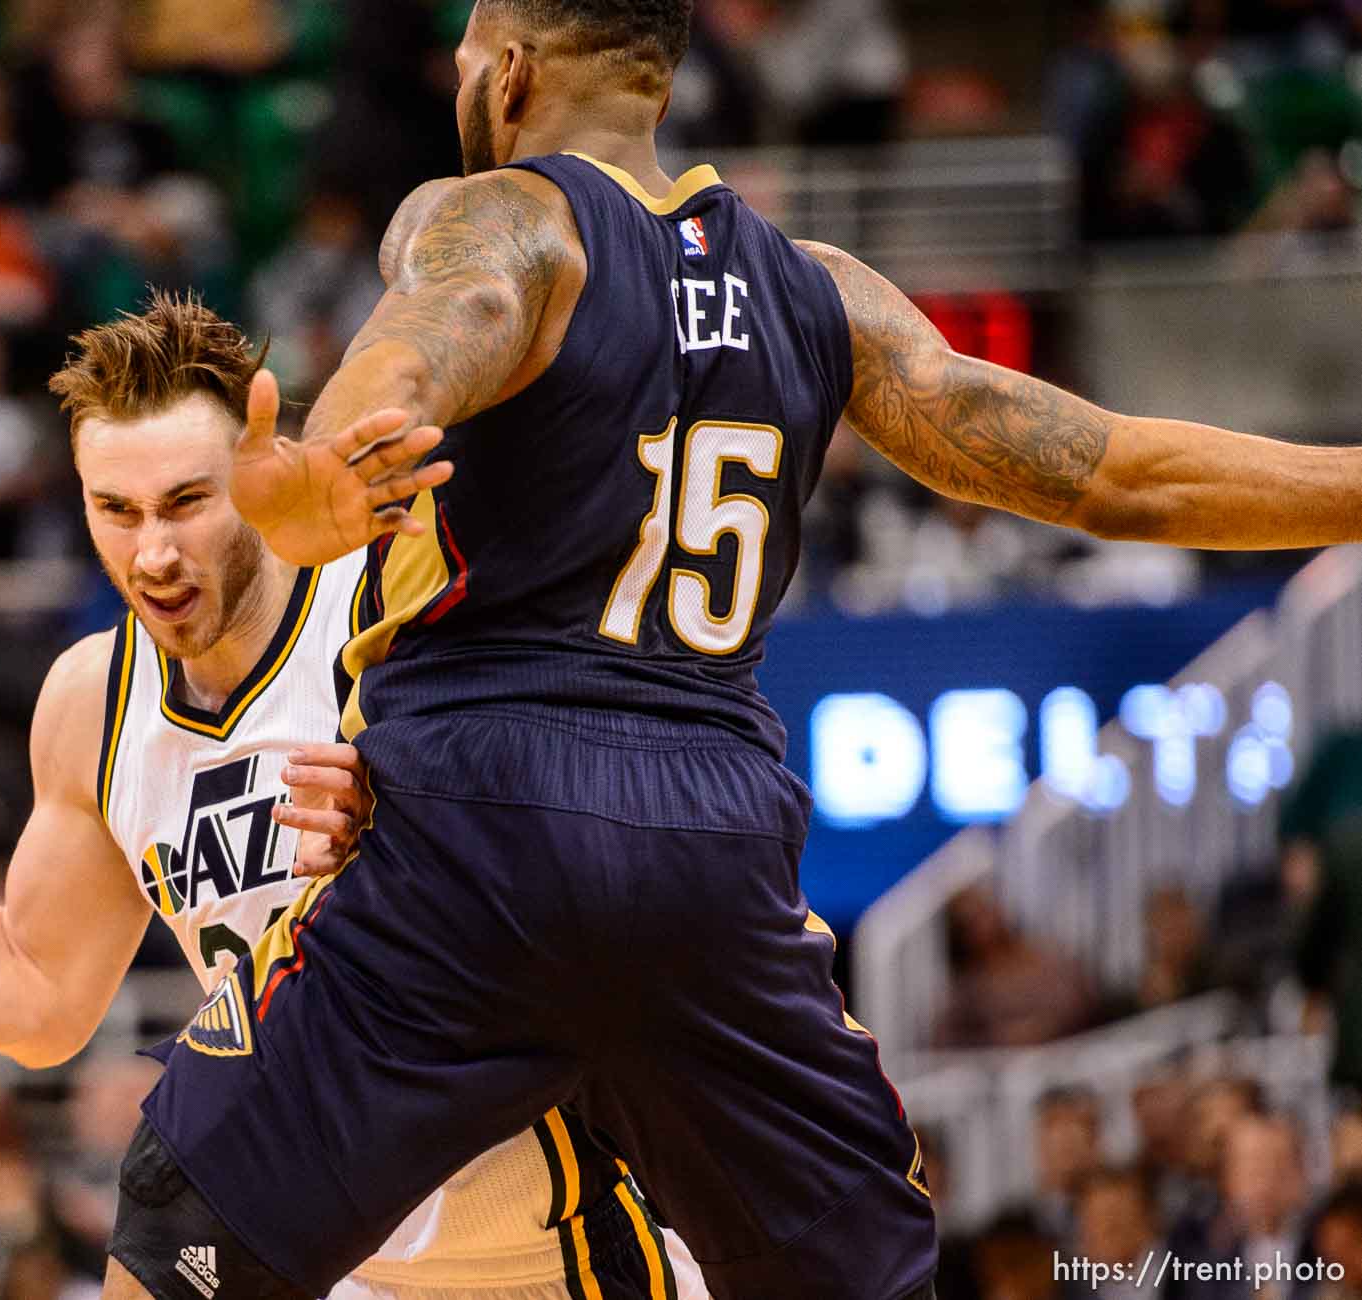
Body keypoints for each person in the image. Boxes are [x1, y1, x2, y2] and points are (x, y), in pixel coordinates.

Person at [68, 0, 1362, 1296]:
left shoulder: (501, 217)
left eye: (465, 52)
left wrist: (315, 476)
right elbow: (1113, 475)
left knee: (174, 1237)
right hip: (710, 841)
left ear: (508, 73)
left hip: (479, 827)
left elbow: (418, 350)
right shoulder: (818, 291)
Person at [0, 294, 702, 1300]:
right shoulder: (93, 701)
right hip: (353, 1254)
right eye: (115, 509)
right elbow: (40, 991)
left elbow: (597, 844)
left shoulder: (385, 610)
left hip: (567, 1223)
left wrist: (423, 821)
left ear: (258, 472)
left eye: (188, 500)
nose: (155, 551)